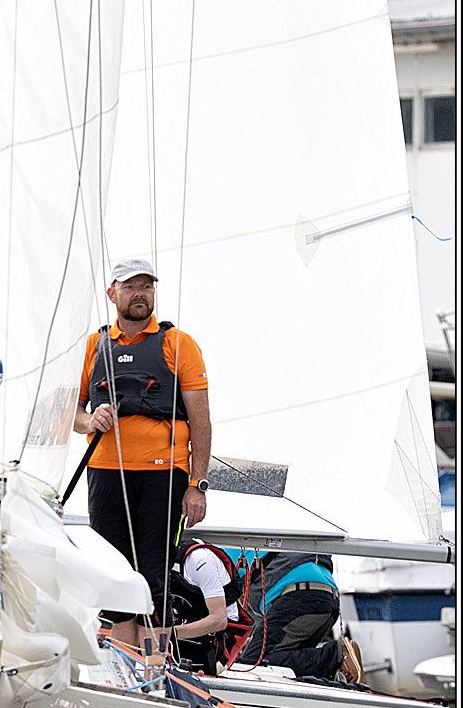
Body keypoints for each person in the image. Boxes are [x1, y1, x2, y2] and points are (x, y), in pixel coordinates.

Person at [73, 257, 211, 650]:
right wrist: (89, 421)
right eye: (131, 287)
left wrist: (197, 485)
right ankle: (124, 667)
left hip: (163, 475)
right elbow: (69, 410)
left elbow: (201, 422)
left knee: (154, 578)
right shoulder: (93, 346)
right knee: (112, 577)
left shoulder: (179, 344)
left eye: (146, 286)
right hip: (106, 472)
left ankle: (152, 669)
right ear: (112, 293)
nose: (140, 294)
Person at [239, 550, 364, 682]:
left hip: (300, 595)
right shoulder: (254, 542)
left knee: (251, 664)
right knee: (286, 660)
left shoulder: (224, 547)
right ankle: (336, 667)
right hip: (326, 595)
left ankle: (336, 657)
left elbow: (223, 610)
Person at [165, 538, 253, 674]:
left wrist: (169, 634)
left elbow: (219, 620)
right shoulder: (152, 559)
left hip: (216, 641)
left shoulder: (200, 560)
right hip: (180, 633)